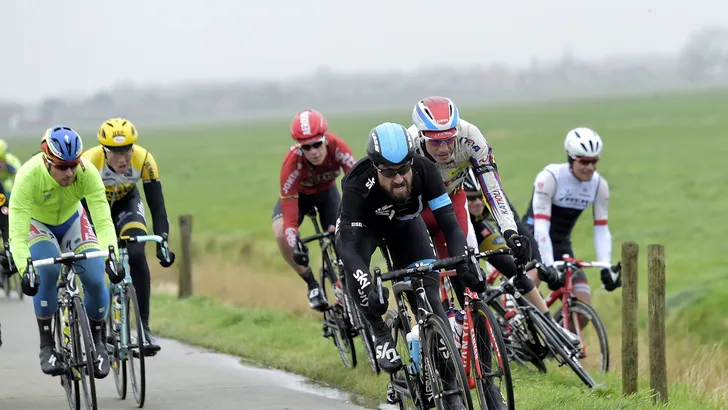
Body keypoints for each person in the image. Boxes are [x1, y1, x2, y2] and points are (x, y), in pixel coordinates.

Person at [335, 121, 491, 410]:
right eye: (388, 173)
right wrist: (368, 286)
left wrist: (463, 261)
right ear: (375, 167)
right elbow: (349, 249)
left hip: (405, 227)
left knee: (431, 299)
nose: (398, 180)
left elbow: (450, 224)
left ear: (411, 162)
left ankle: (450, 388)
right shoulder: (357, 182)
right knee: (359, 281)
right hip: (363, 231)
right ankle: (380, 332)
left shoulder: (424, 170)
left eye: (403, 170)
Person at [407, 96, 557, 320]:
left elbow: (493, 190)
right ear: (421, 135)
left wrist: (509, 231)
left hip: (451, 202)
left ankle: (477, 331)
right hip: (417, 209)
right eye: (436, 142)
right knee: (426, 276)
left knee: (470, 274)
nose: (444, 148)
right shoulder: (408, 145)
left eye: (449, 139)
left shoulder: (471, 137)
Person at [9, 125, 124, 379]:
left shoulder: (87, 172)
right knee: (47, 271)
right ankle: (47, 345)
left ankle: (98, 342)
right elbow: (16, 231)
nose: (69, 173)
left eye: (73, 165)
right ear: (47, 161)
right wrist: (25, 268)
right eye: (62, 166)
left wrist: (111, 256)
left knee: (95, 277)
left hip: (73, 221)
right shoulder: (28, 176)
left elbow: (102, 220)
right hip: (38, 225)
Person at [82, 117, 175, 355]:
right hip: (95, 208)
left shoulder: (144, 159)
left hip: (127, 204)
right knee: (96, 264)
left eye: (127, 151)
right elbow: (78, 206)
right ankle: (98, 328)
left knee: (136, 253)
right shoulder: (89, 162)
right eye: (116, 153)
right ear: (104, 151)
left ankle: (143, 328)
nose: (123, 158)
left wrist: (162, 241)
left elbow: (158, 206)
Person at [522, 127, 621, 307]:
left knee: (583, 302)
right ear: (571, 158)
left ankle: (559, 326)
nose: (590, 167)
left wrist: (605, 267)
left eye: (594, 161)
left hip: (561, 244)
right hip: (533, 238)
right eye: (584, 162)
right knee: (530, 289)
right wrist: (548, 265)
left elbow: (601, 228)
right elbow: (541, 226)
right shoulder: (550, 177)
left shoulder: (599, 185)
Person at [272, 109, 356, 311]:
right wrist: (294, 242)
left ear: (325, 138)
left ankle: (345, 282)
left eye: (317, 144)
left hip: (327, 195)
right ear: (298, 146)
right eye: (306, 147)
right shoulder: (292, 163)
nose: (313, 152)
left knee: (344, 234)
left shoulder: (337, 147)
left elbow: (356, 182)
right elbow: (289, 213)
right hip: (298, 200)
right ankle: (311, 284)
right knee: (281, 232)